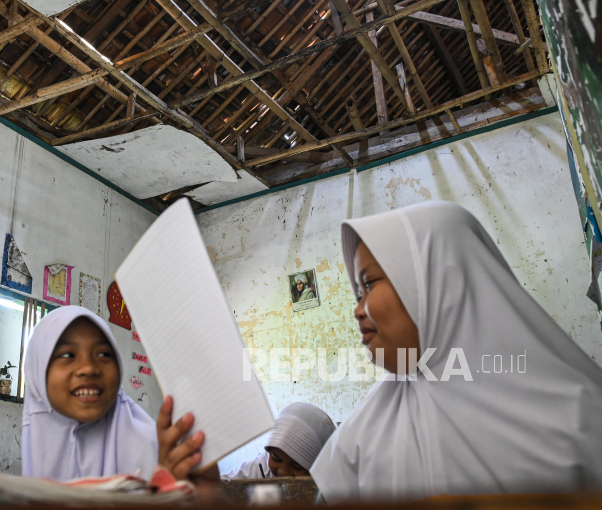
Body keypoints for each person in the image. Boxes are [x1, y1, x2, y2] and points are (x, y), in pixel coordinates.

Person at [310, 201, 602, 502]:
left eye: (369, 284)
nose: (358, 309)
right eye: (358, 293)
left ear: (441, 282)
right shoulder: (359, 439)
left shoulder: (580, 419)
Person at [22, 305, 205, 482]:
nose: (88, 368)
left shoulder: (157, 453)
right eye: (68, 355)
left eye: (103, 354)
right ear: (38, 373)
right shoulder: (36, 434)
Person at [222, 402, 336, 479]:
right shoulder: (263, 467)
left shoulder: (336, 487)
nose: (282, 472)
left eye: (297, 467)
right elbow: (224, 484)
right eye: (276, 459)